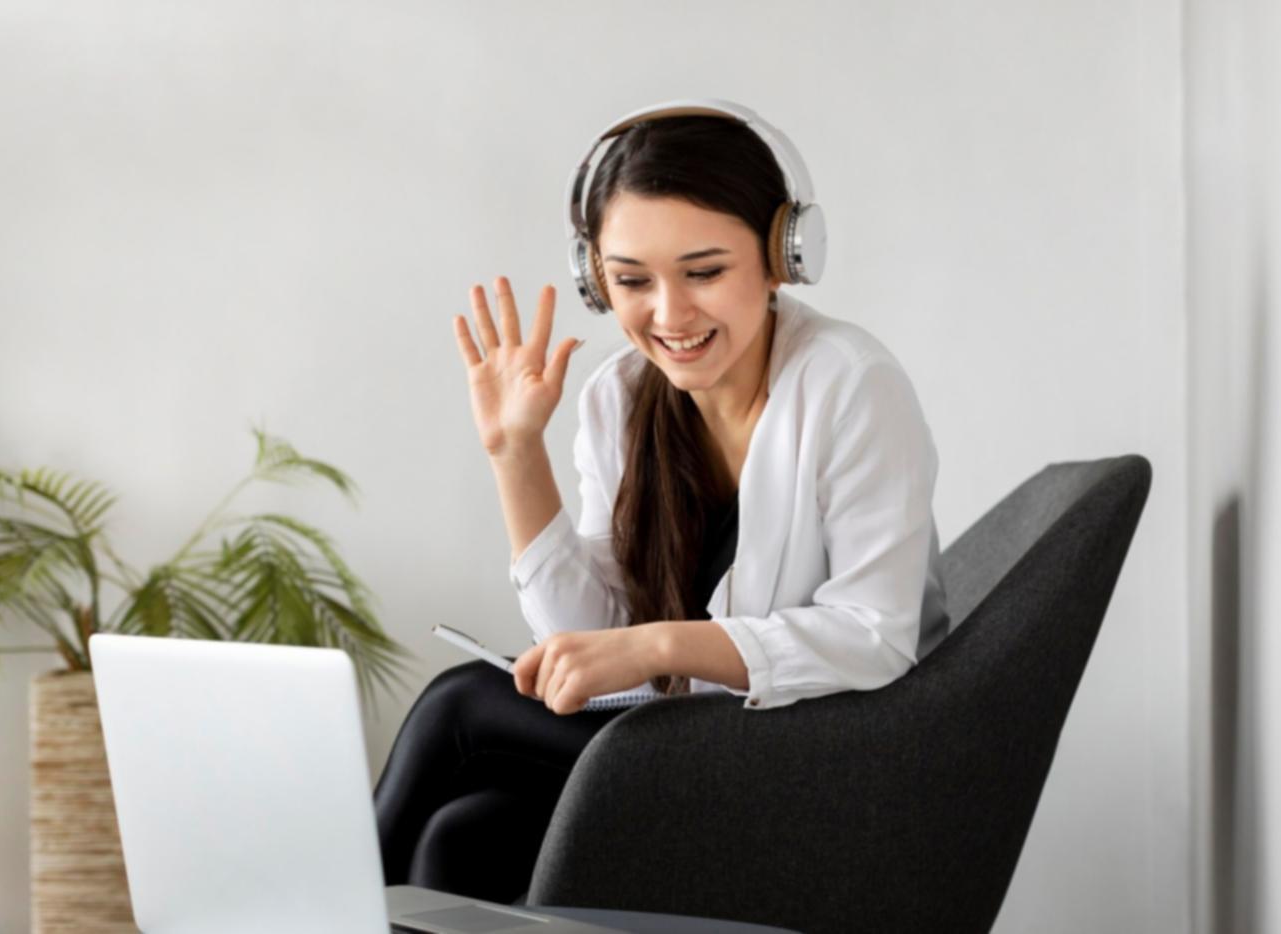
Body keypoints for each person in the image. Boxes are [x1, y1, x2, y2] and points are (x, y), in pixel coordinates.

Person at [373, 102, 949, 904]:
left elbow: (874, 636)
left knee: (457, 709)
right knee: (465, 834)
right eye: (632, 281)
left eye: (705, 272)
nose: (669, 315)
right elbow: (584, 636)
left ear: (783, 255)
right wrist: (515, 453)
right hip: (689, 742)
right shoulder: (624, 395)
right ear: (595, 277)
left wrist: (657, 649)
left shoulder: (852, 384)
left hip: (822, 762)